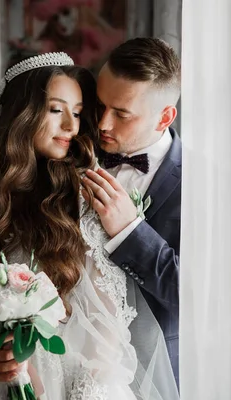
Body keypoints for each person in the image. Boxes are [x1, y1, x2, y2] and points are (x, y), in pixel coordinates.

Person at [0, 52, 177, 399]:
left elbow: (107, 331)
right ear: (21, 114)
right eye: (56, 110)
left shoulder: (84, 195)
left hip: (72, 384)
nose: (72, 126)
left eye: (79, 113)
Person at [82, 37, 182, 386]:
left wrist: (129, 231)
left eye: (121, 113)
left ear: (164, 117)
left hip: (153, 377)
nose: (103, 124)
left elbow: (196, 298)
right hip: (68, 361)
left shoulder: (203, 185)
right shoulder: (71, 152)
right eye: (99, 105)